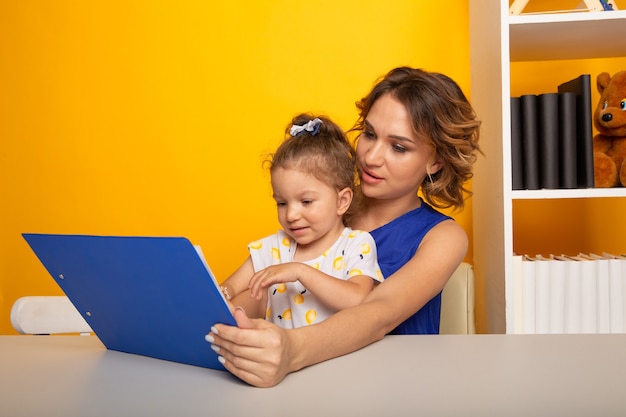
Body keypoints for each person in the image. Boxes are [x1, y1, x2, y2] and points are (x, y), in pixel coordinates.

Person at [206, 67, 481, 387]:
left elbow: (379, 312)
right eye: (369, 133)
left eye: (399, 147)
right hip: (308, 386)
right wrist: (227, 319)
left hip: (396, 387)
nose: (371, 156)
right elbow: (269, 292)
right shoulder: (321, 213)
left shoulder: (442, 237)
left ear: (435, 162)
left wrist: (290, 350)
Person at [219, 113, 383, 329]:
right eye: (282, 203)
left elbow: (358, 300)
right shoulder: (274, 247)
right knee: (252, 295)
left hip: (339, 358)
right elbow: (231, 287)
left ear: (342, 201)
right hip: (283, 359)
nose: (291, 215)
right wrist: (224, 295)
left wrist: (300, 271)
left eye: (306, 201)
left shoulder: (356, 245)